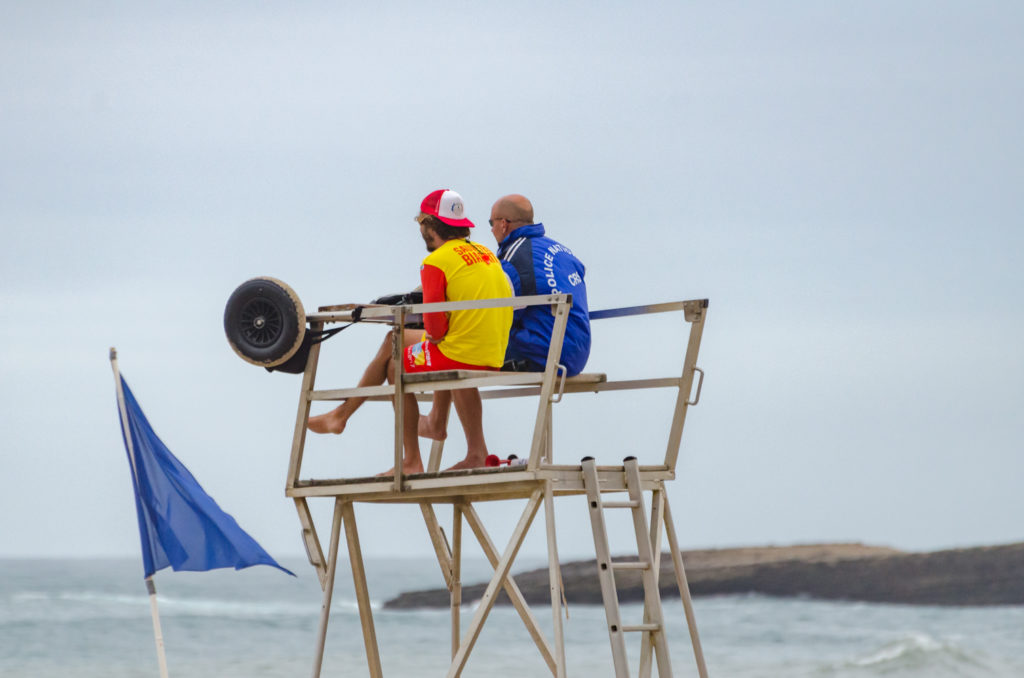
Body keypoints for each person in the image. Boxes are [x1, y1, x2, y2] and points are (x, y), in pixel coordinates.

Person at [307, 189, 512, 476]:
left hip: (463, 352)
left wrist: (432, 333)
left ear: (429, 225)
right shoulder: (485, 254)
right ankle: (464, 444)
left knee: (396, 358)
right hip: (493, 351)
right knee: (398, 340)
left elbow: (436, 329)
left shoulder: (436, 262)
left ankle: (410, 460)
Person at [419, 194, 591, 453]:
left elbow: (497, 309)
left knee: (464, 343)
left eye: (491, 222)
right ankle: (441, 423)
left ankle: (461, 441)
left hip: (547, 350)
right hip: (577, 349)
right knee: (463, 340)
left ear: (503, 224)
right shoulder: (561, 250)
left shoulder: (514, 256)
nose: (489, 229)